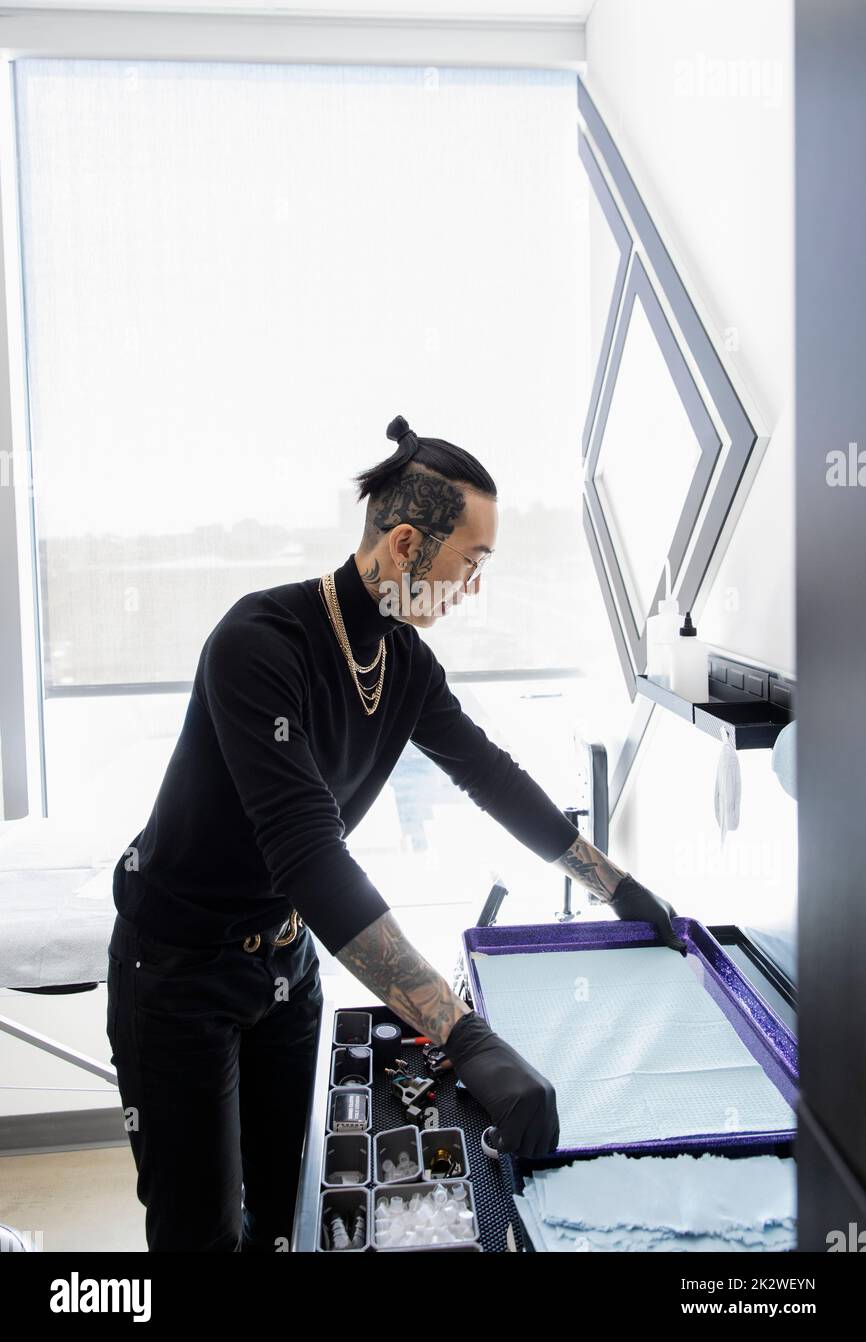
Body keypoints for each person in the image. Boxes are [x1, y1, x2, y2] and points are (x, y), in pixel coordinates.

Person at [106, 414, 685, 1252]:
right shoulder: (257, 645)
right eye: (472, 562)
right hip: (178, 969)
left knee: (284, 1213)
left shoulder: (405, 661)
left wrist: (618, 888)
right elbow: (311, 857)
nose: (475, 586)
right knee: (200, 1230)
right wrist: (467, 1038)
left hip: (286, 961)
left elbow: (492, 776)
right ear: (408, 543)